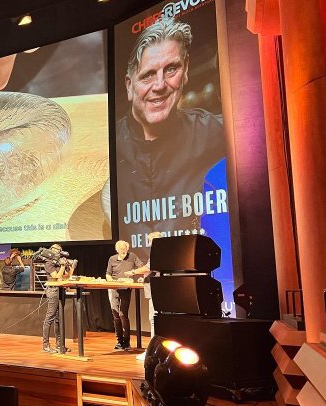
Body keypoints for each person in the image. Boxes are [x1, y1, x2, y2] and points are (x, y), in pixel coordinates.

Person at [116, 18, 225, 252]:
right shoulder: (107, 149)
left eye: (171, 69)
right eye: (147, 75)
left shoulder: (216, 132)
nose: (160, 85)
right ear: (129, 86)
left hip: (192, 278)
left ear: (185, 72)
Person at [128, 231, 163, 360]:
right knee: (155, 319)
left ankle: (152, 351)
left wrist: (133, 272)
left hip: (156, 290)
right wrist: (145, 278)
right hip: (156, 288)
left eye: (149, 240)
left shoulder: (158, 252)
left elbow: (148, 267)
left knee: (154, 319)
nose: (148, 243)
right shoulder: (162, 252)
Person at [106, 240, 144, 350]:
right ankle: (119, 341)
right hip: (113, 289)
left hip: (126, 288)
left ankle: (126, 342)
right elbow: (108, 274)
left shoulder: (132, 256)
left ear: (127, 249)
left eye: (125, 249)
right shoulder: (112, 259)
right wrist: (111, 281)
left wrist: (133, 273)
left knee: (123, 314)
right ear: (117, 250)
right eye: (121, 249)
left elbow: (142, 267)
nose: (123, 251)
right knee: (116, 315)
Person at [41, 243, 74, 354]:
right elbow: (56, 276)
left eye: (60, 250)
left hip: (61, 290)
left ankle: (60, 345)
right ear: (51, 250)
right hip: (53, 291)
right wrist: (63, 266)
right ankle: (45, 345)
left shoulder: (59, 263)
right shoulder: (48, 263)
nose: (59, 251)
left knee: (58, 319)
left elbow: (66, 276)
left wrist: (71, 267)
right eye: (56, 249)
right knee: (49, 318)